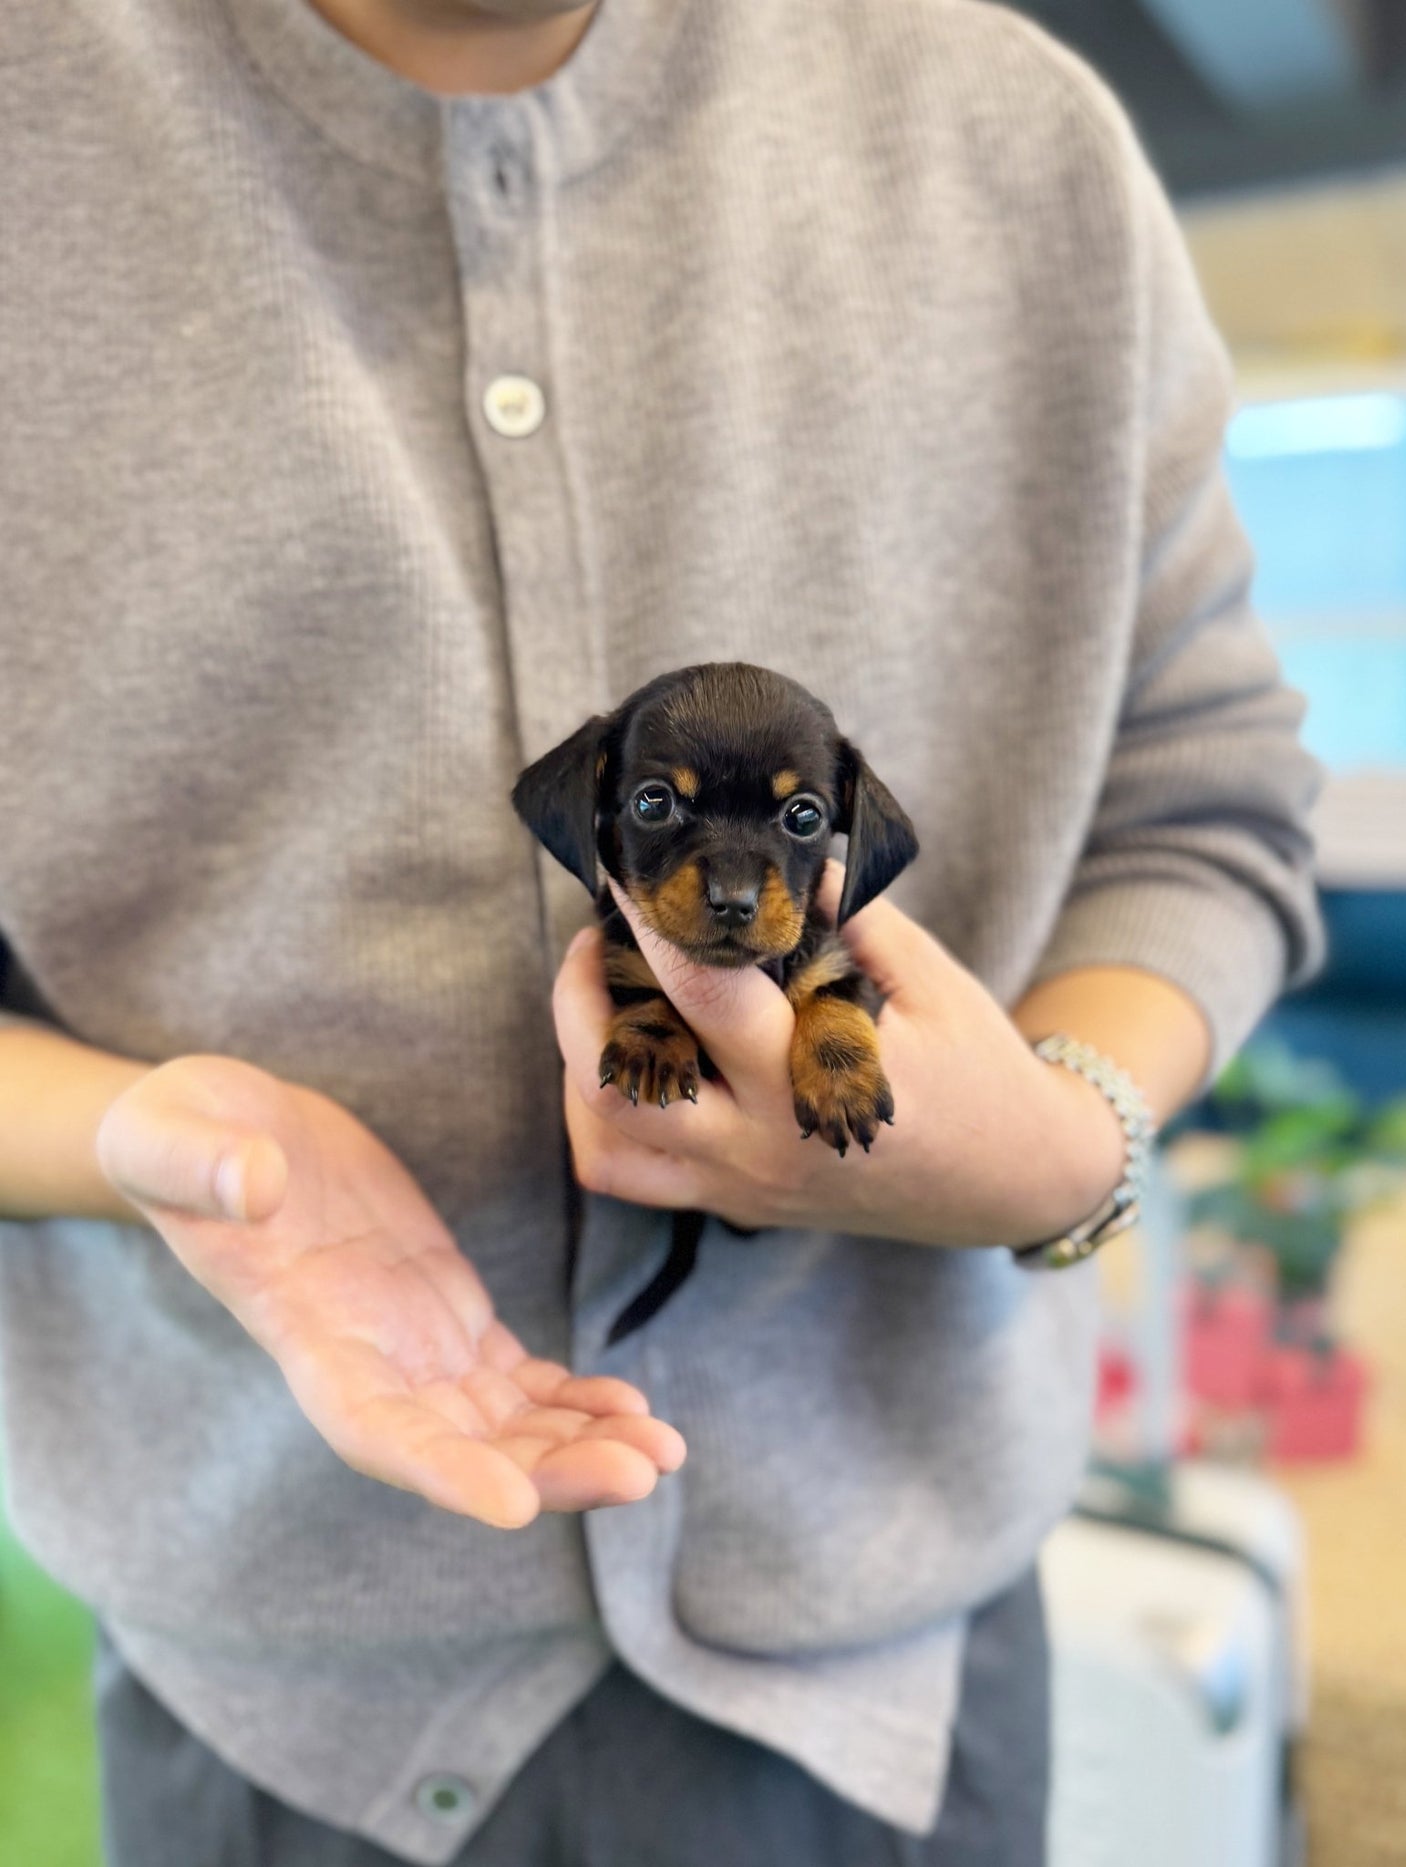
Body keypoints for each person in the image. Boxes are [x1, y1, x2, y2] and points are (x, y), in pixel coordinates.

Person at [0, 1, 1324, 1862]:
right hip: (268, 1692)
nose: (725, 875)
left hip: (892, 1673)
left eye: (788, 832)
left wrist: (1058, 1138)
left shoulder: (1014, 142)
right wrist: (138, 1142)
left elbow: (1204, 797)